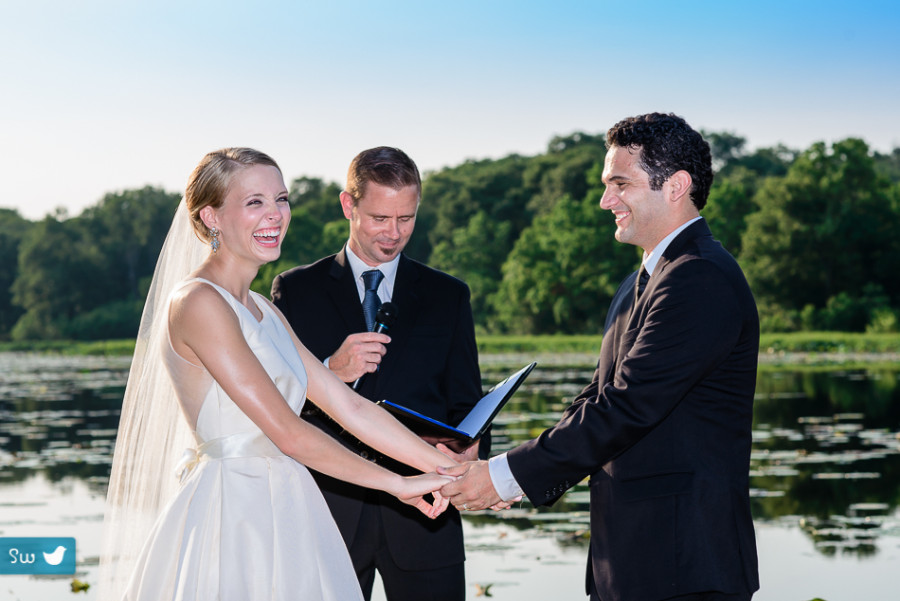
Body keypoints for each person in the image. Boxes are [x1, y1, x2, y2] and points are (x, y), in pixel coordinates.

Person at [97, 148, 457, 601]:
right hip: (234, 512)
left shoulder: (265, 310)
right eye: (255, 202)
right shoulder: (198, 303)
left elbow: (348, 405)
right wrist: (397, 483)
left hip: (289, 503)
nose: (275, 215)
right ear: (211, 216)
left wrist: (451, 470)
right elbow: (289, 433)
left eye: (281, 199)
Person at [440, 113, 761, 601]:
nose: (605, 200)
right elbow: (598, 398)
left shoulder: (700, 278)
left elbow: (629, 407)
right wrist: (509, 472)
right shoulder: (640, 283)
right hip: (633, 563)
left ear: (675, 186)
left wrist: (505, 478)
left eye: (620, 184)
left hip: (685, 565)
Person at [271, 146, 483, 601]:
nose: (393, 233)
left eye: (406, 219)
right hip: (328, 510)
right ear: (349, 205)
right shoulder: (295, 289)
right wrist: (332, 371)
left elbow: (466, 400)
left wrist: (470, 443)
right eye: (379, 218)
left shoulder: (449, 296)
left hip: (429, 515)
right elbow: (276, 405)